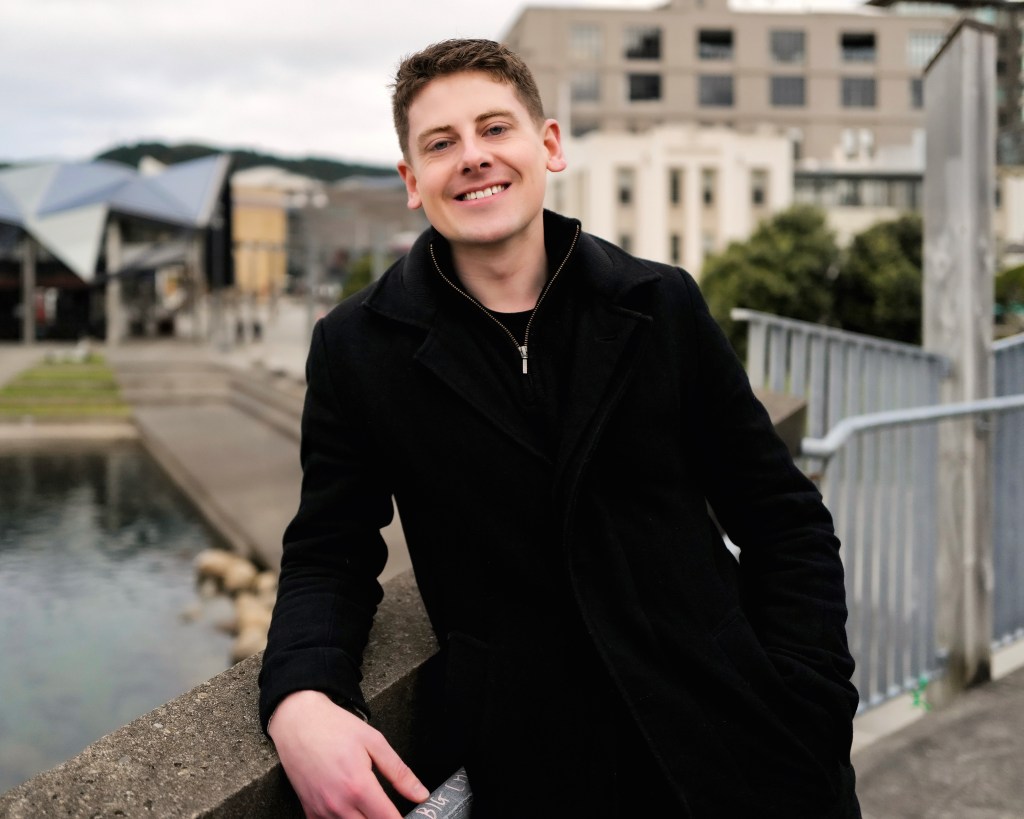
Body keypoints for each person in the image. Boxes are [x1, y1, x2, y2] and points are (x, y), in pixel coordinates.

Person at [259, 38, 861, 818]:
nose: (473, 156)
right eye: (441, 144)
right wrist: (301, 695)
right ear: (412, 182)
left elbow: (785, 521)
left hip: (742, 747)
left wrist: (812, 704)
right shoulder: (357, 348)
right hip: (544, 772)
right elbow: (329, 553)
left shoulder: (660, 303)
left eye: (495, 128)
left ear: (547, 146)